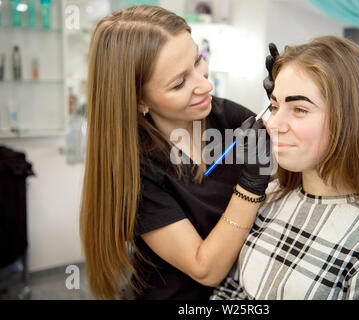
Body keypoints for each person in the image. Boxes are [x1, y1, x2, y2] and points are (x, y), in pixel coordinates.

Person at [79, 5, 272, 300]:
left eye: (198, 60)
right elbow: (205, 268)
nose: (205, 84)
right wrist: (250, 186)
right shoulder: (136, 169)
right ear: (138, 99)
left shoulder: (227, 117)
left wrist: (285, 107)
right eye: (180, 83)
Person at [211, 36, 359, 300]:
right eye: (275, 106)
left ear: (351, 120)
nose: (274, 124)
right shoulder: (270, 199)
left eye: (299, 109)